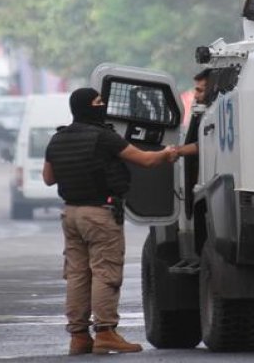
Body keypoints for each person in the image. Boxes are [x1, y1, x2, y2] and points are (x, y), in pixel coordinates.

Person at [43, 87, 178, 355]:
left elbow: (48, 178)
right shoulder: (104, 137)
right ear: (87, 107)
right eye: (98, 101)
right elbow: (145, 160)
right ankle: (105, 332)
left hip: (70, 214)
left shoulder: (58, 139)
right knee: (105, 272)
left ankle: (79, 336)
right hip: (99, 215)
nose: (102, 105)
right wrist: (168, 153)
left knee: (77, 275)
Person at [175, 69, 210, 217]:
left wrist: (176, 151)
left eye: (200, 90)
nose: (195, 95)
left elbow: (204, 144)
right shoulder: (201, 112)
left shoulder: (212, 115)